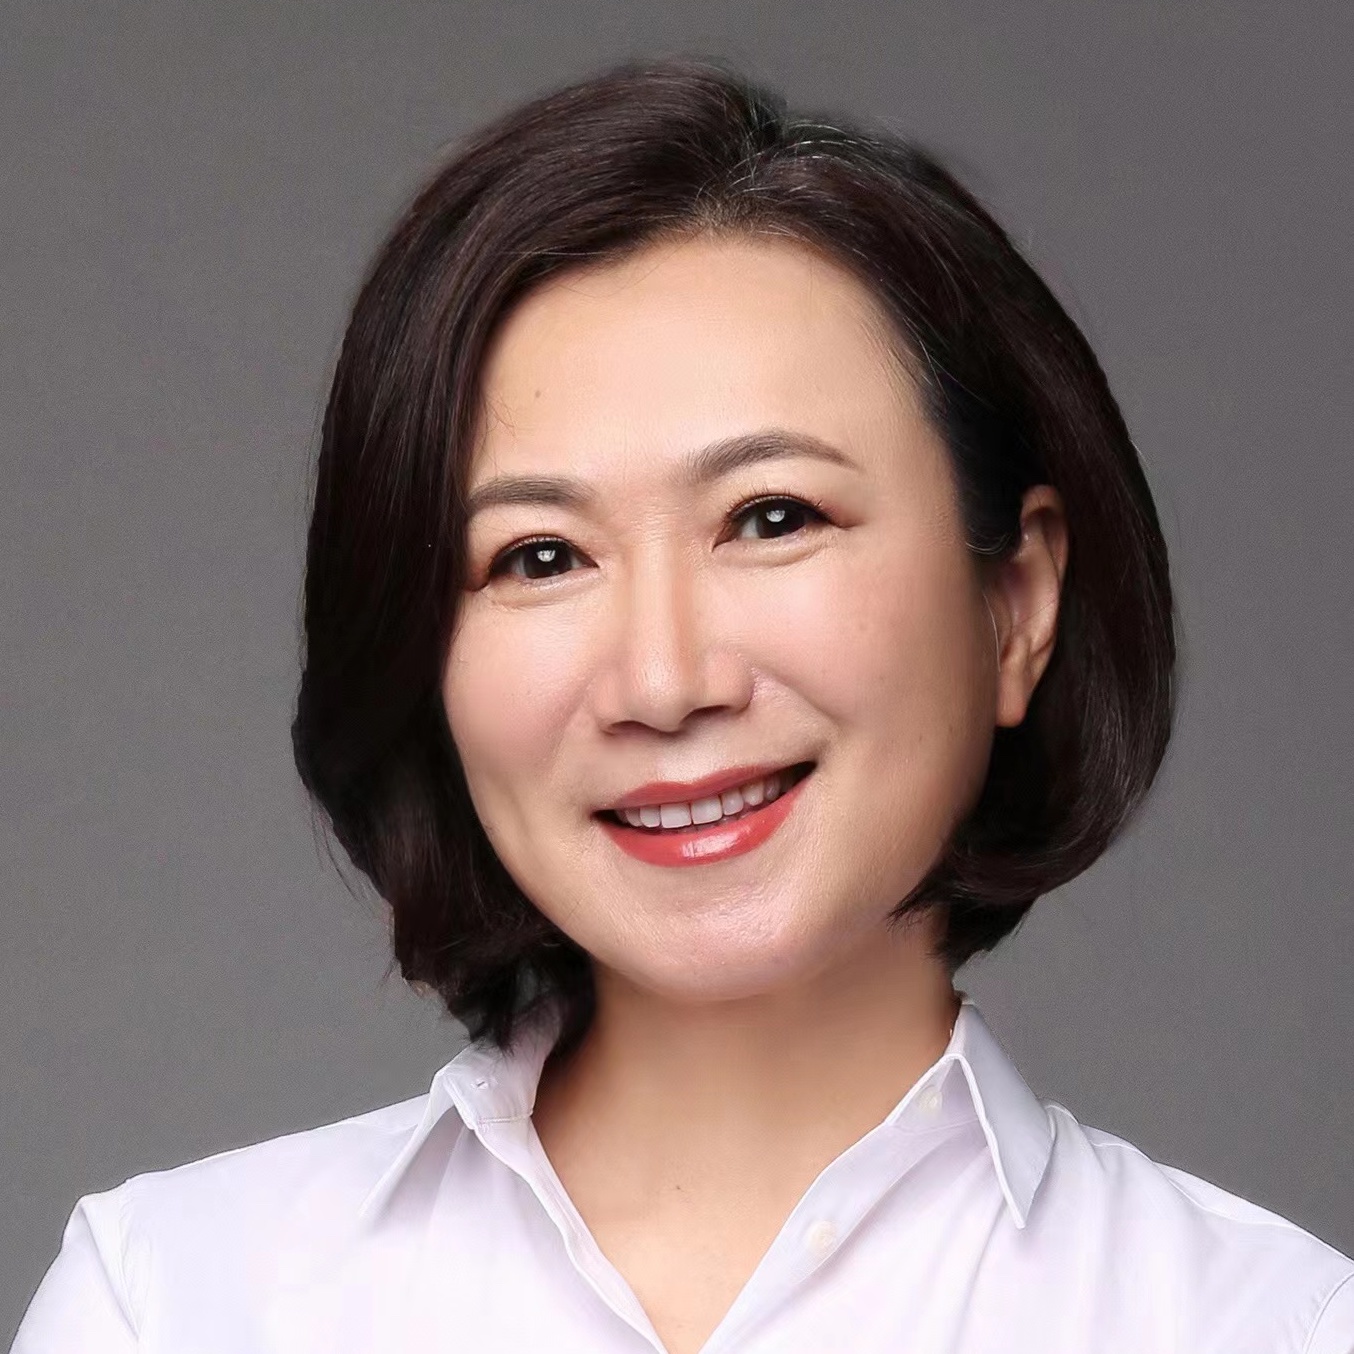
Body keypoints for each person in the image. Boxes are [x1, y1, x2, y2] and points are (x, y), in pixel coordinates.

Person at [13, 55, 1353, 1354]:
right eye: (540, 556)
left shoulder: (1265, 1328)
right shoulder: (173, 1308)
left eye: (771, 517)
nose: (663, 681)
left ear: (1014, 604)